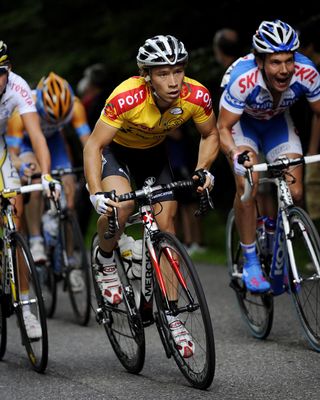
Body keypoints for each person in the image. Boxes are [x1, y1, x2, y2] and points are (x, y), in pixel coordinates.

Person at [84, 35, 219, 357]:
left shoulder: (196, 95)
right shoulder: (127, 96)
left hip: (154, 158)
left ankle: (172, 316)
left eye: (178, 71)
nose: (173, 81)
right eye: (163, 73)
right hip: (116, 155)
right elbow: (94, 146)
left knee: (166, 229)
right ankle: (105, 260)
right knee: (122, 205)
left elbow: (210, 134)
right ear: (147, 75)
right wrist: (95, 193)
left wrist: (203, 169)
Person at [217, 20, 320, 293]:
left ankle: (278, 251)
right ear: (260, 62)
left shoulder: (307, 72)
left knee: (295, 193)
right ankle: (250, 259)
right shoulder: (242, 78)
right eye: (275, 62)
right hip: (243, 126)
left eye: (289, 61)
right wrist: (235, 153)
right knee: (248, 184)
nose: (284, 70)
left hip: (277, 124)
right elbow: (223, 128)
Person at [0, 41, 60, 338]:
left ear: (8, 71)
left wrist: (47, 176)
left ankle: (26, 307)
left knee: (15, 220)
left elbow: (37, 136)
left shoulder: (18, 87)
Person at [7, 72, 90, 283]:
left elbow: (88, 143)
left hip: (54, 144)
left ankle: (70, 260)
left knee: (69, 199)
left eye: (61, 119)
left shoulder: (76, 106)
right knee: (35, 179)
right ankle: (35, 238)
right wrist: (24, 167)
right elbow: (13, 153)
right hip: (27, 144)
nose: (57, 121)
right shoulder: (22, 111)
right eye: (52, 118)